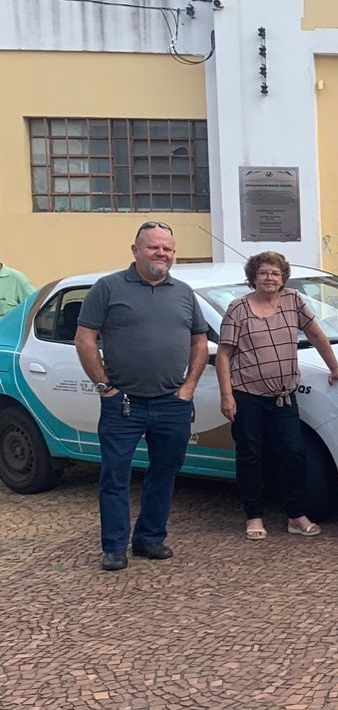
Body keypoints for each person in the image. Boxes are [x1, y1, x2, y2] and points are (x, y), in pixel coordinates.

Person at [74, 221, 208, 571]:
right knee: (115, 476)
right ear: (135, 250)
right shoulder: (108, 288)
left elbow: (199, 340)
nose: (161, 253)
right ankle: (114, 547)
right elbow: (84, 339)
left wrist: (188, 387)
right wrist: (104, 387)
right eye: (153, 247)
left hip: (172, 403)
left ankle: (149, 538)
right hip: (123, 404)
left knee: (165, 472)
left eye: (167, 248)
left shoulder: (184, 292)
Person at [216, 251, 338, 540]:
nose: (270, 278)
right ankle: (254, 517)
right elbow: (224, 354)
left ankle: (296, 515)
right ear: (253, 277)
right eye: (263, 272)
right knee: (250, 457)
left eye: (275, 273)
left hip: (283, 396)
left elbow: (316, 335)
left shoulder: (293, 300)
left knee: (294, 454)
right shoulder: (238, 308)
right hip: (247, 394)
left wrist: (335, 367)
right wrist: (227, 395)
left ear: (283, 277)